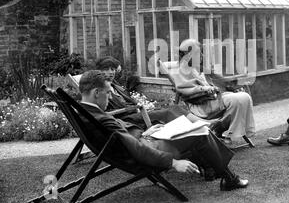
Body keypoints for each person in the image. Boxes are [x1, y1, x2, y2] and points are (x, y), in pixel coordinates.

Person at [78, 70, 249, 191]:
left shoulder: (86, 113)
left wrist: (146, 132)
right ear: (96, 92)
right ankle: (229, 177)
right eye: (108, 93)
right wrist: (173, 163)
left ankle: (216, 165)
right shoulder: (102, 118)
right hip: (149, 149)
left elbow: (124, 138)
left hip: (145, 139)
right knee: (200, 134)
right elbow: (137, 149)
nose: (109, 97)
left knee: (185, 125)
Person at [173, 39, 256, 145]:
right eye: (198, 52)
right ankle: (225, 132)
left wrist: (234, 83)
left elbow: (221, 80)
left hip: (213, 99)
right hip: (201, 105)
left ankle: (227, 132)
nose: (201, 55)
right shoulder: (181, 70)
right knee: (239, 98)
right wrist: (204, 89)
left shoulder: (199, 67)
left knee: (244, 97)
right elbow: (183, 89)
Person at [94, 56, 199, 129]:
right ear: (99, 72)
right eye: (106, 69)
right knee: (168, 112)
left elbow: (116, 67)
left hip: (137, 113)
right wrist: (137, 108)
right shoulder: (101, 91)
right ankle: (199, 126)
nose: (111, 72)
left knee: (174, 108)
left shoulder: (114, 85)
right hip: (127, 120)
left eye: (112, 69)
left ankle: (200, 124)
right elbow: (105, 112)